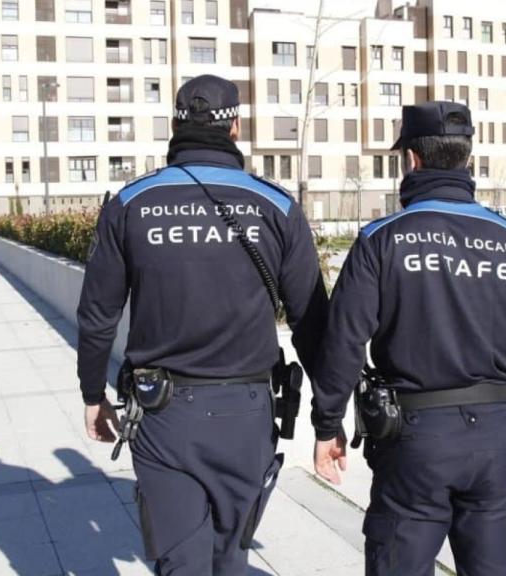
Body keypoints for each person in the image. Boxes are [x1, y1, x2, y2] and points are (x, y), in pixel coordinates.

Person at [76, 74, 328, 575]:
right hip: (248, 415)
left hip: (163, 414)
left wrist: (91, 394)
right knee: (230, 558)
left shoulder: (132, 204)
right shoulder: (275, 206)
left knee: (181, 563)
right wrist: (330, 413)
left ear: (175, 124)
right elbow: (314, 322)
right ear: (235, 126)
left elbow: (98, 314)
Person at [311, 101, 506, 575]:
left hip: (414, 437)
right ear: (468, 158)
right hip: (493, 434)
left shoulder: (383, 237)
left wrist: (327, 425)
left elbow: (344, 340)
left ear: (412, 159)